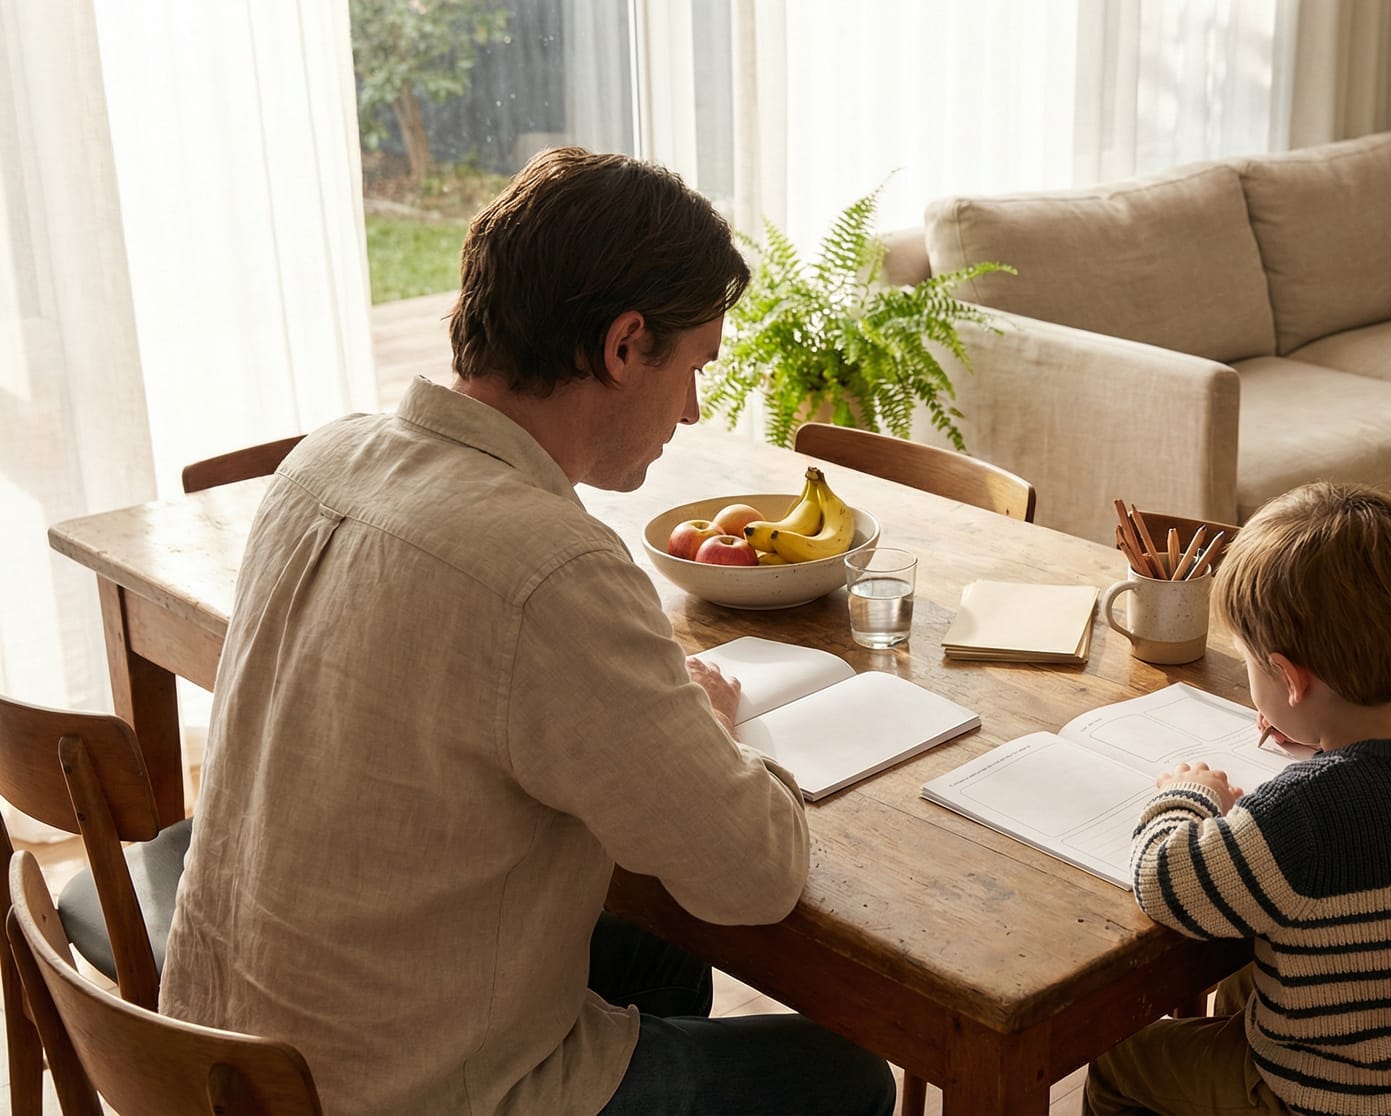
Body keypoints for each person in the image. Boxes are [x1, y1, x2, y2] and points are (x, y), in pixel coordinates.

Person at [160, 148, 896, 1116]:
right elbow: (756, 873)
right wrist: (713, 733)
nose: (694, 408)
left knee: (656, 954)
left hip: (215, 1065)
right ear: (624, 345)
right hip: (398, 1096)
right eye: (693, 366)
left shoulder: (320, 461)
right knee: (838, 1079)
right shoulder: (554, 570)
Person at [1084, 483, 1391, 1116]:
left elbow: (1164, 879)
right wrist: (1318, 732)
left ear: (1289, 677)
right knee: (1256, 973)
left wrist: (1187, 795)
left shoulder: (1298, 821)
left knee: (1119, 1063)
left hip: (1321, 1103)